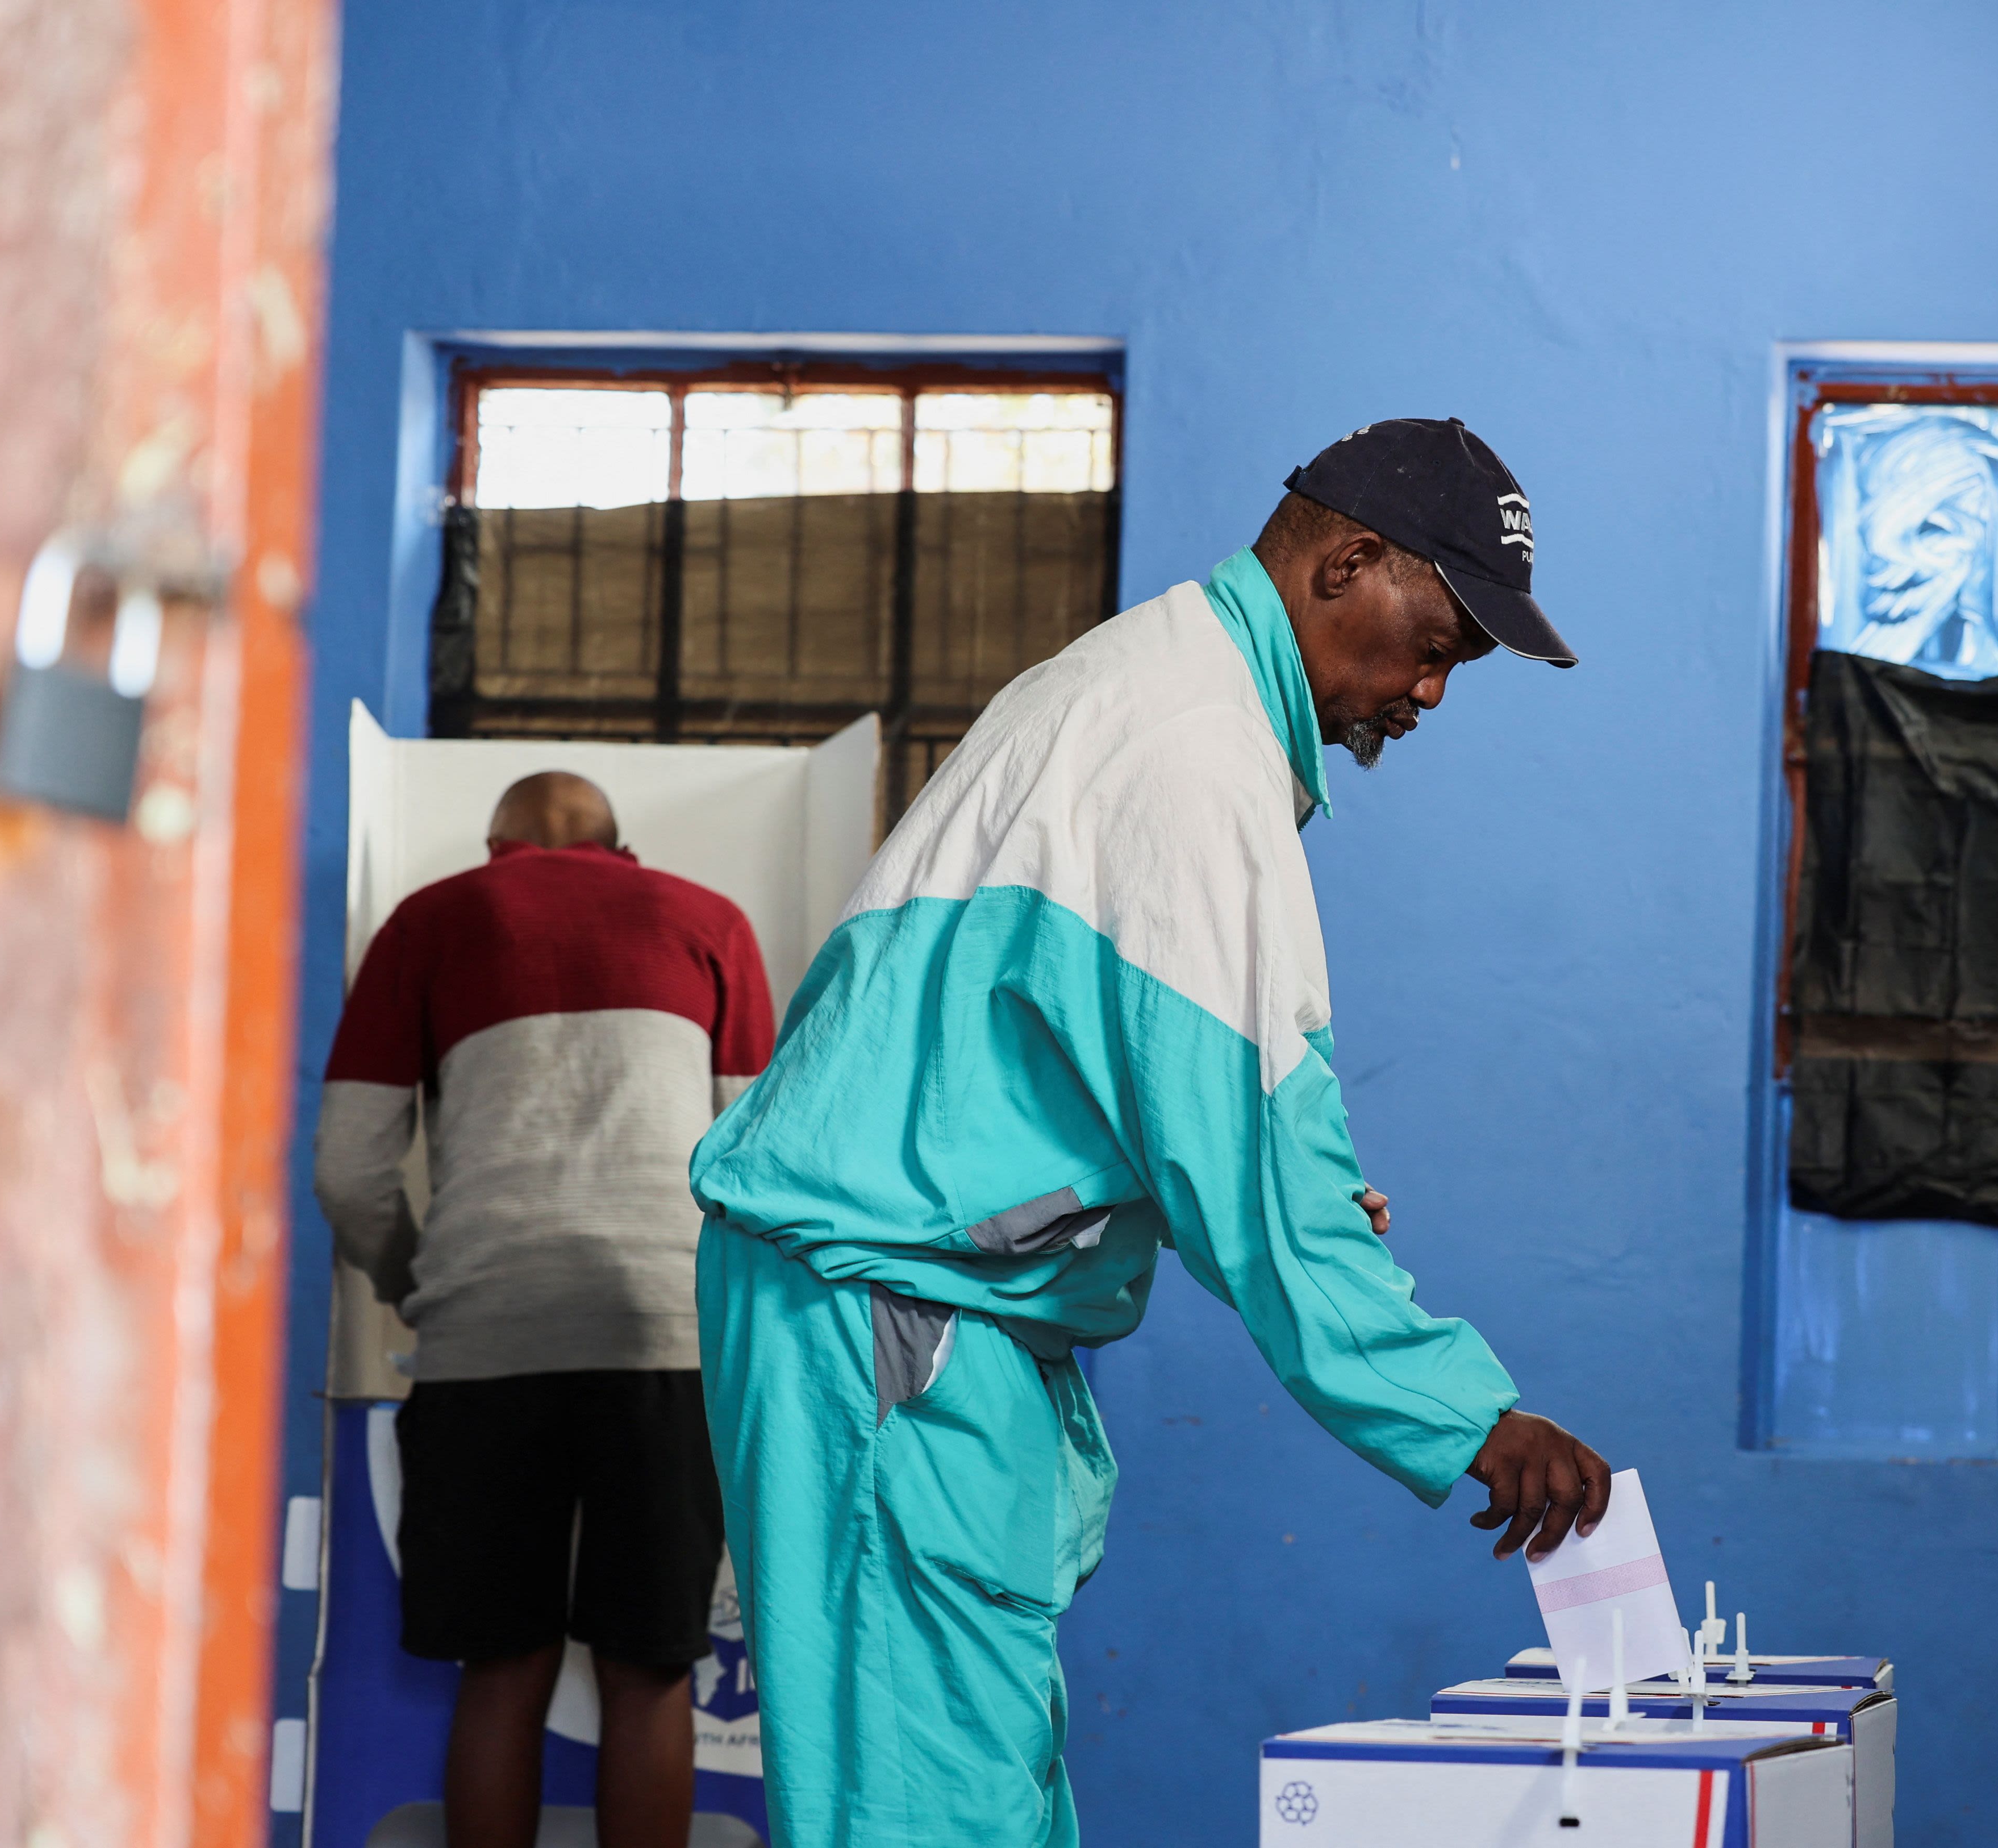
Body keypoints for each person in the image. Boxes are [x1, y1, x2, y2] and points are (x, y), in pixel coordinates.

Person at [689, 417, 1614, 1847]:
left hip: (920, 1305)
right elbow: (1263, 1175)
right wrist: (1471, 1416)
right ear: (1347, 562)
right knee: (930, 1809)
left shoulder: (1167, 694)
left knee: (987, 1784)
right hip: (892, 1311)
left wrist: (1227, 1184)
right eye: (1433, 643)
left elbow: (1164, 1115)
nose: (1429, 691)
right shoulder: (1190, 753)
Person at [315, 772, 776, 1848]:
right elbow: (759, 1159)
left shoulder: (429, 921)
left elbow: (348, 1170)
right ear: (623, 845)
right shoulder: (710, 922)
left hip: (484, 1337)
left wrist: (413, 1278)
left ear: (492, 846)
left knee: (501, 1665)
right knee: (650, 1666)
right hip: (665, 1334)